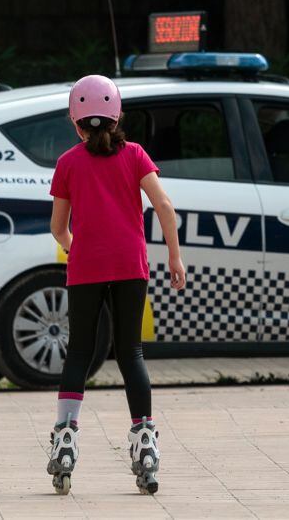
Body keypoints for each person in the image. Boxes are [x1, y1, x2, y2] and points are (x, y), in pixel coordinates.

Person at [46, 74, 186, 494]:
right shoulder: (136, 155)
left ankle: (65, 441)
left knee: (79, 352)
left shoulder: (68, 163)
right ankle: (145, 444)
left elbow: (58, 227)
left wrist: (78, 248)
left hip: (86, 268)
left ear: (75, 122)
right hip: (130, 266)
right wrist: (175, 257)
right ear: (117, 116)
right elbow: (164, 205)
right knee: (131, 352)